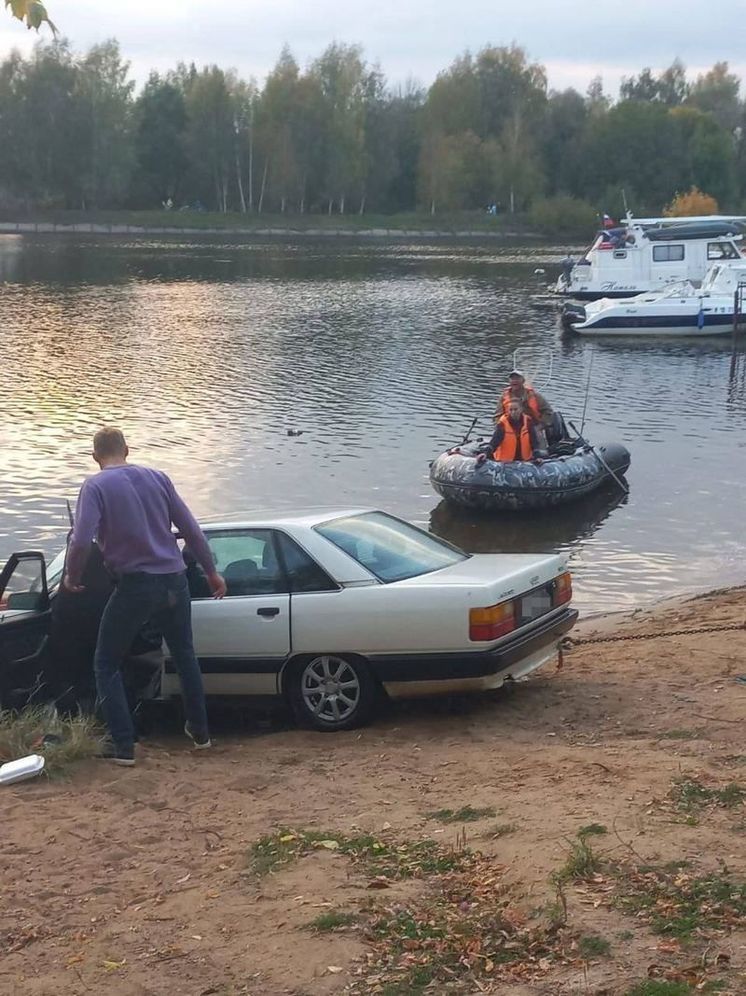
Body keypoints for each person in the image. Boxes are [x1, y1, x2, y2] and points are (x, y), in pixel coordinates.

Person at [64, 427, 227, 766]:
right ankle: (201, 733)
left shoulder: (95, 486)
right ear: (127, 449)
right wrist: (211, 572)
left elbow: (80, 541)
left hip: (136, 585)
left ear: (95, 457)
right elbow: (192, 530)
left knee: (106, 663)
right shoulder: (158, 477)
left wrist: (72, 576)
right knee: (184, 655)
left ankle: (123, 745)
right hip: (175, 580)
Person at [478, 398, 544, 463]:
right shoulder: (502, 424)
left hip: (524, 461)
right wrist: (485, 454)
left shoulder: (528, 422)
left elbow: (534, 442)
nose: (513, 412)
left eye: (515, 409)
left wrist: (537, 456)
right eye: (510, 410)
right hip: (504, 463)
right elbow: (494, 442)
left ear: (521, 409)